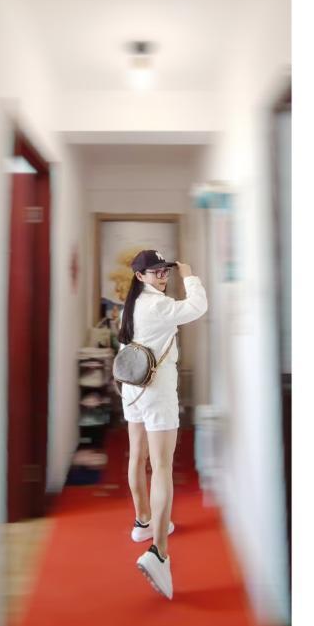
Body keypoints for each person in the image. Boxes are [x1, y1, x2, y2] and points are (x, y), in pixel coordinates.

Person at [117, 249, 208, 599]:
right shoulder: (158, 305)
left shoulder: (131, 305)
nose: (162, 275)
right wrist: (189, 275)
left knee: (136, 456)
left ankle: (143, 521)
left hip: (133, 389)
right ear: (140, 276)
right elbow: (198, 307)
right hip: (157, 392)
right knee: (162, 467)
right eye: (155, 271)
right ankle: (158, 551)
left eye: (165, 270)